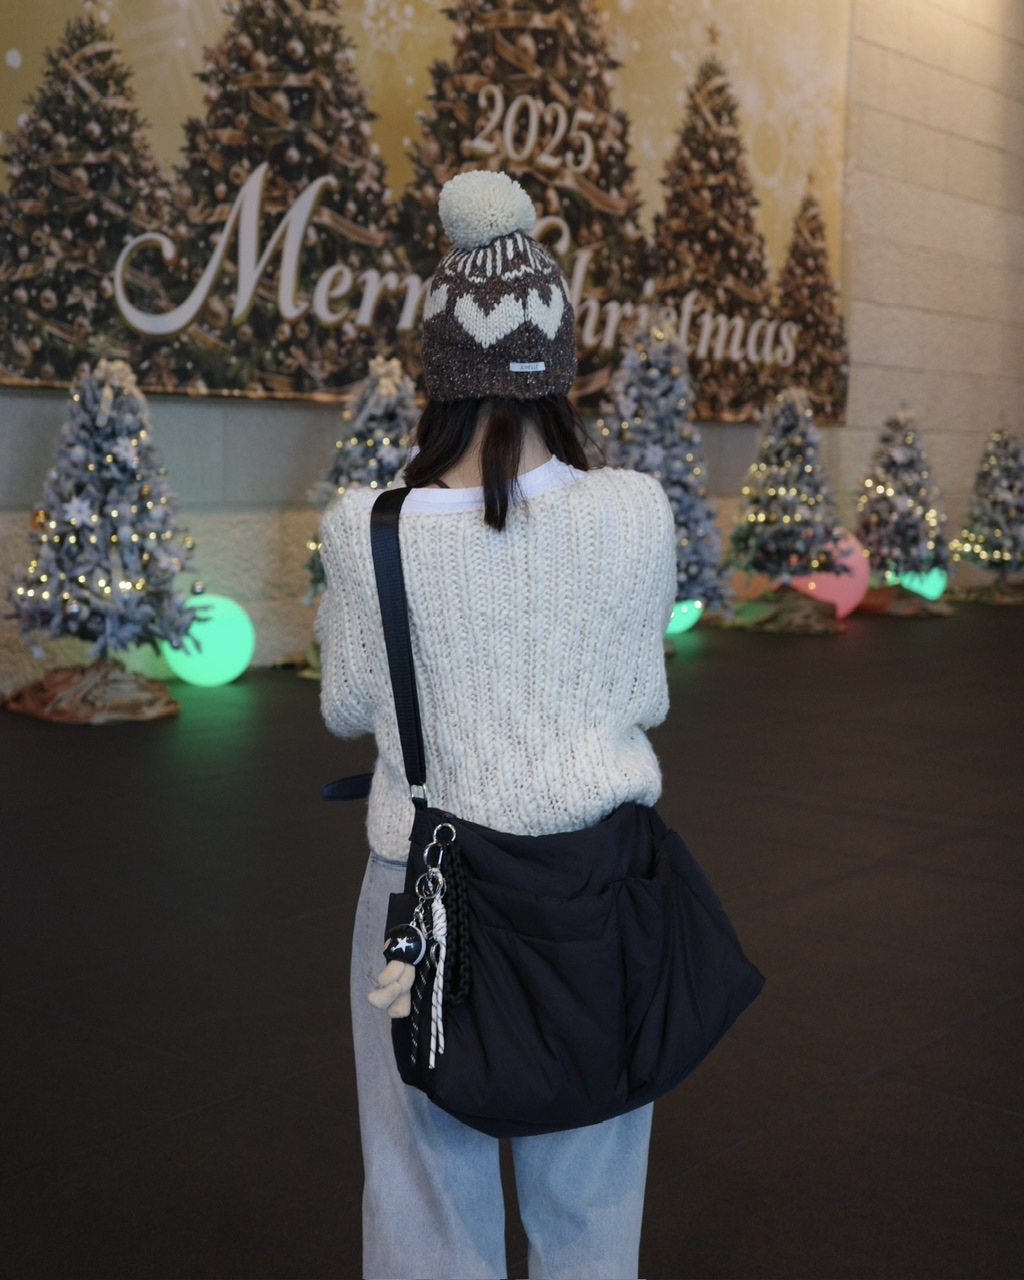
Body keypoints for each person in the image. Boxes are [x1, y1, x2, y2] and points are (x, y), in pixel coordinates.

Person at [316, 170, 676, 1280]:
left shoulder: (367, 528)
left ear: (439, 371)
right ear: (559, 363)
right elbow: (645, 696)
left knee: (426, 1205)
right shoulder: (636, 510)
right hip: (596, 894)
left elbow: (346, 705)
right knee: (592, 1207)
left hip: (426, 896)